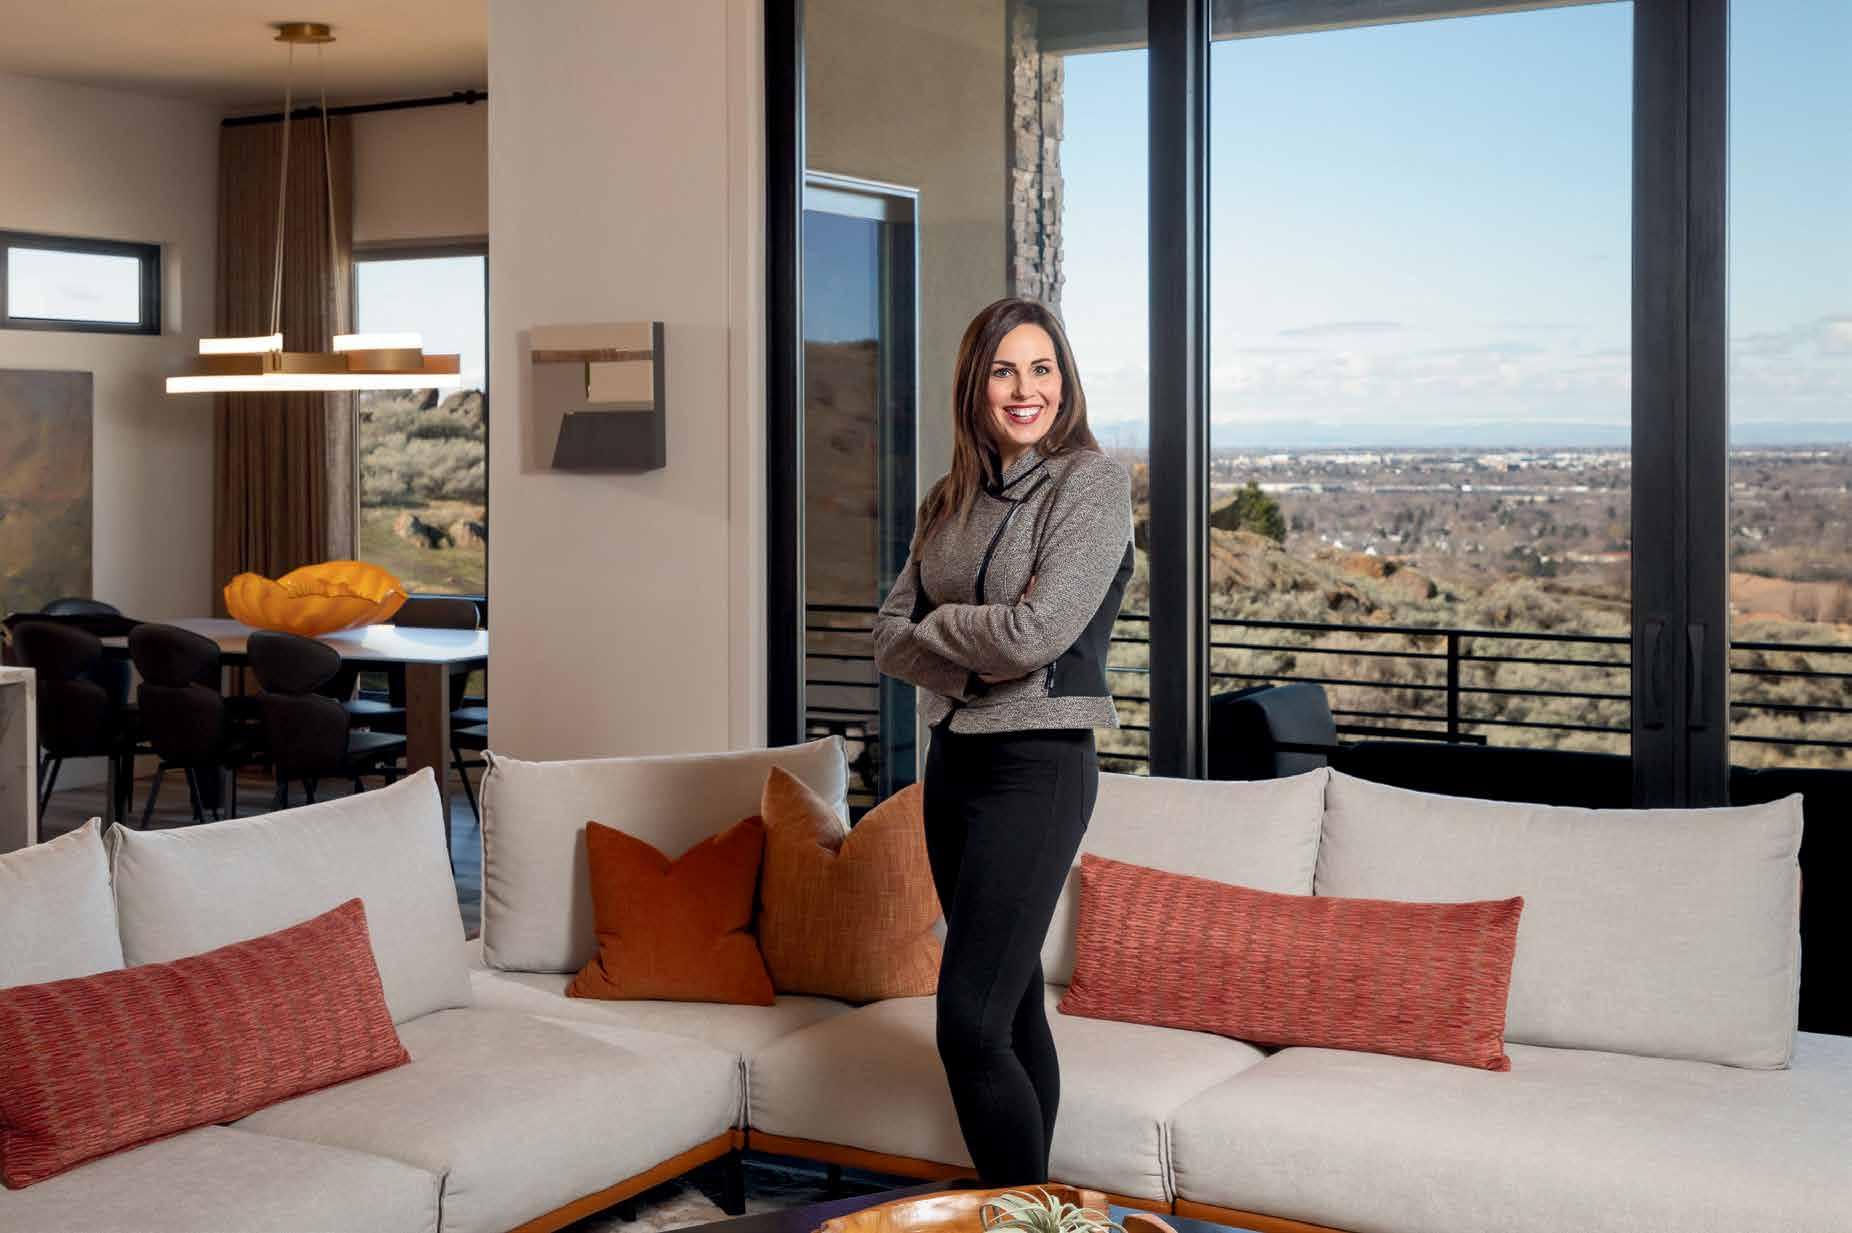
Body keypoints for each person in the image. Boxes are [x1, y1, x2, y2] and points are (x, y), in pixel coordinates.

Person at [872, 296, 1135, 1185]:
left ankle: (1019, 1215)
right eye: (1004, 370)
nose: (1026, 389)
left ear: (1065, 380)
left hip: (1039, 768)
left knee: (969, 1024)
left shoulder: (1090, 485)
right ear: (975, 385)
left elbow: (1037, 634)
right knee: (1013, 1010)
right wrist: (971, 650)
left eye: (1042, 368)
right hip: (954, 765)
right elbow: (886, 635)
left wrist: (942, 628)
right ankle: (1027, 1207)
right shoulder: (948, 498)